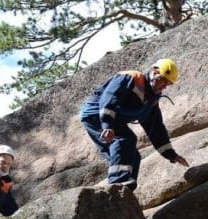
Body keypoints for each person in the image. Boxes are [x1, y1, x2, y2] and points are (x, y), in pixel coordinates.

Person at [80, 58, 189, 190]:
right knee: (125, 139)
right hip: (95, 114)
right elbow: (109, 98)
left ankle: (126, 191)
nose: (164, 86)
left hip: (112, 120)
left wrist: (171, 155)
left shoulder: (151, 101)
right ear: (154, 73)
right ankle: (117, 185)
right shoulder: (131, 78)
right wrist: (107, 125)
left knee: (133, 155)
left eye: (168, 84)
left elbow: (156, 130)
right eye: (163, 80)